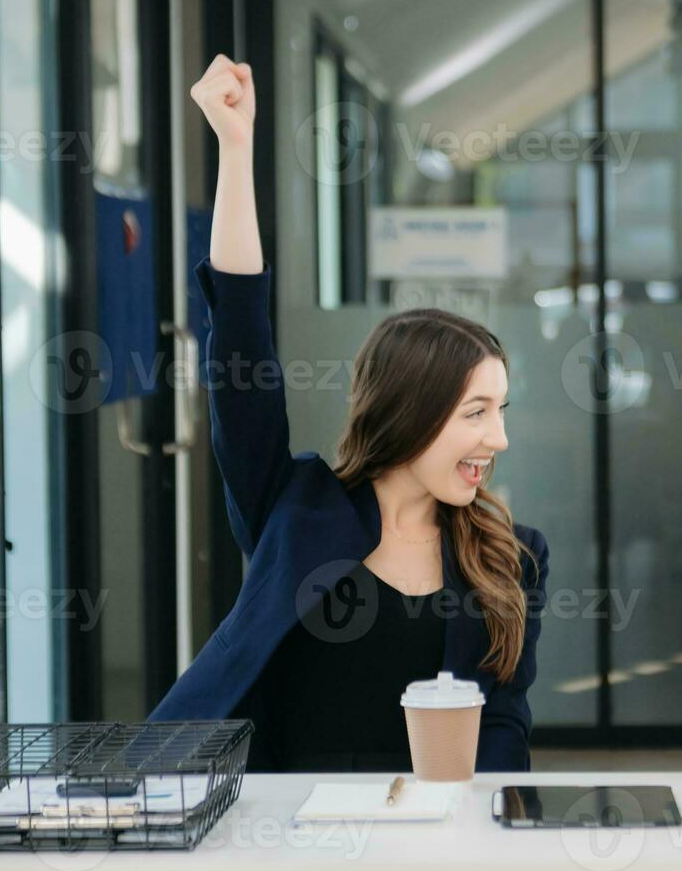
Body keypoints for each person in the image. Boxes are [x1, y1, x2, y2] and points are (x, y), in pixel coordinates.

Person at [149, 55, 550, 774]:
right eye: (477, 412)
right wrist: (236, 151)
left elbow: (506, 725)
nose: (499, 437)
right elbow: (240, 345)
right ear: (413, 413)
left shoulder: (510, 556)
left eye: (501, 410)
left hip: (429, 851)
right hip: (286, 846)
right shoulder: (292, 510)